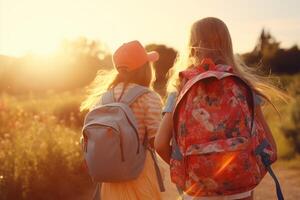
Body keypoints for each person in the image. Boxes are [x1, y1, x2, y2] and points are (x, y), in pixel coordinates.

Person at [154, 17, 288, 200]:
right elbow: (270, 148)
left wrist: (190, 171)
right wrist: (248, 173)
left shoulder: (180, 88)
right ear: (227, 45)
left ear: (192, 46)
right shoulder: (243, 86)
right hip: (240, 191)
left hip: (196, 191)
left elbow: (160, 144)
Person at [81, 40, 164, 200]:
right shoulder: (148, 97)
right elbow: (157, 141)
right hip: (139, 175)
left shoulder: (103, 98)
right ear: (145, 68)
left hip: (110, 183)